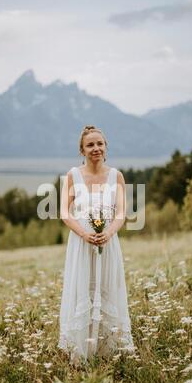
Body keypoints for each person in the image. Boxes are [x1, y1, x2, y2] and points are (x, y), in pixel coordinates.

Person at [58, 125, 135, 365]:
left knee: (106, 289)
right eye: (90, 145)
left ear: (106, 147)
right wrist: (84, 234)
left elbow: (121, 213)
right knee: (83, 290)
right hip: (81, 245)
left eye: (100, 144)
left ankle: (107, 350)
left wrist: (109, 233)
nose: (96, 148)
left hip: (108, 244)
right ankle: (81, 351)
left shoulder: (116, 176)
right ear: (82, 150)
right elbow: (64, 212)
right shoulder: (73, 175)